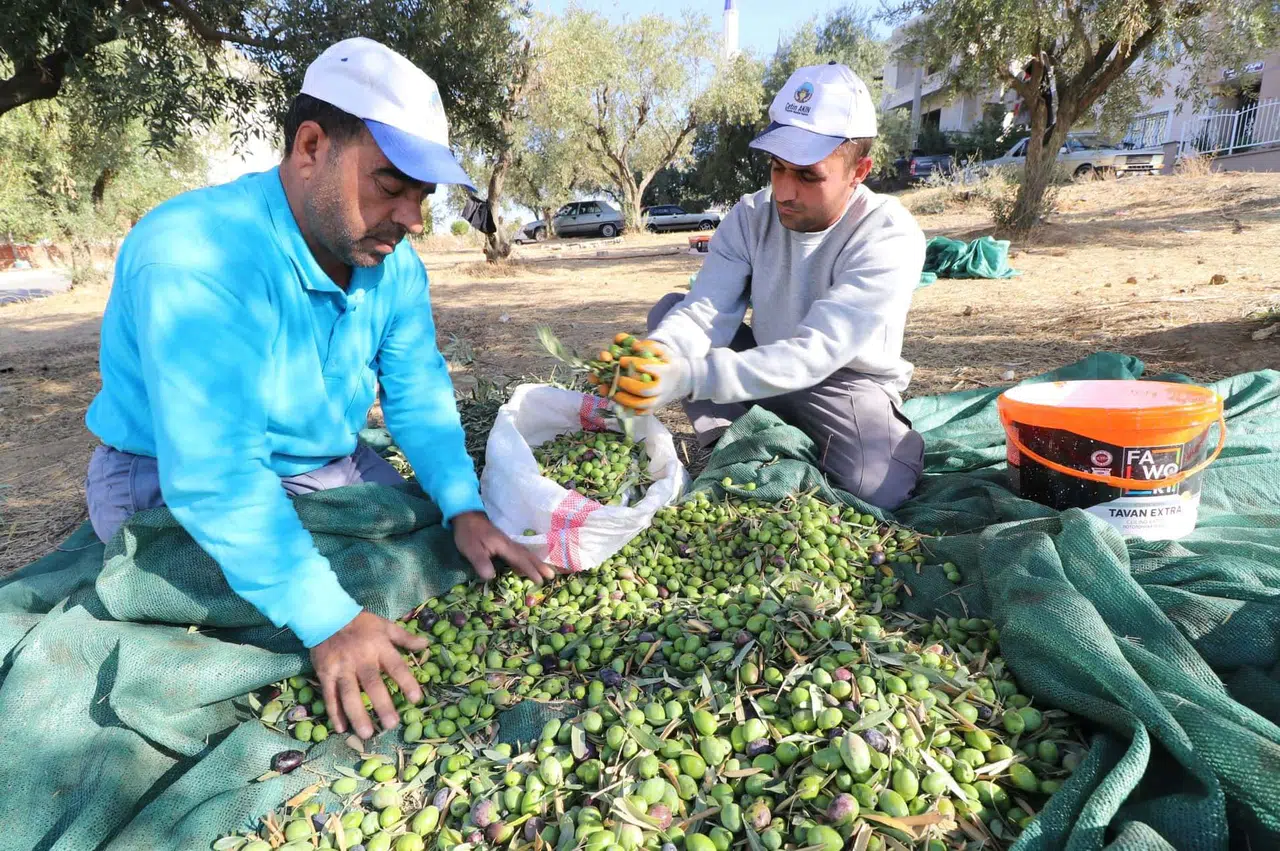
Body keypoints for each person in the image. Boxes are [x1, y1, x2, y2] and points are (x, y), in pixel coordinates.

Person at [83, 38, 551, 740]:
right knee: (314, 603)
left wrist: (464, 505)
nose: (413, 219)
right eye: (391, 186)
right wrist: (329, 618)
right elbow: (215, 474)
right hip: (162, 473)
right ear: (310, 147)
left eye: (422, 196)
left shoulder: (391, 265)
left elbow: (417, 392)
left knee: (424, 549)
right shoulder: (196, 254)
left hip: (323, 461)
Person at [611, 63, 927, 509]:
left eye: (807, 175)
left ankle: (893, 444)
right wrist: (657, 359)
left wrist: (694, 376)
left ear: (859, 171)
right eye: (778, 168)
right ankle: (732, 443)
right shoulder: (749, 216)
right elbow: (707, 309)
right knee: (670, 315)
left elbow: (818, 351)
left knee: (875, 486)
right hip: (763, 363)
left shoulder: (887, 234)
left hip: (842, 384)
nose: (783, 191)